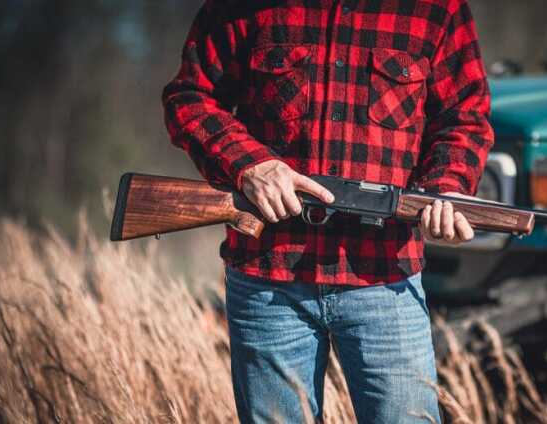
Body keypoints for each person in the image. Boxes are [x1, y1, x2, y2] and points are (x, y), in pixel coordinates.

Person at [162, 1, 493, 422]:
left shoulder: (437, 9)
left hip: (386, 280)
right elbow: (189, 97)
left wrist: (445, 189)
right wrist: (248, 164)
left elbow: (465, 118)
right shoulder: (240, 6)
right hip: (268, 280)